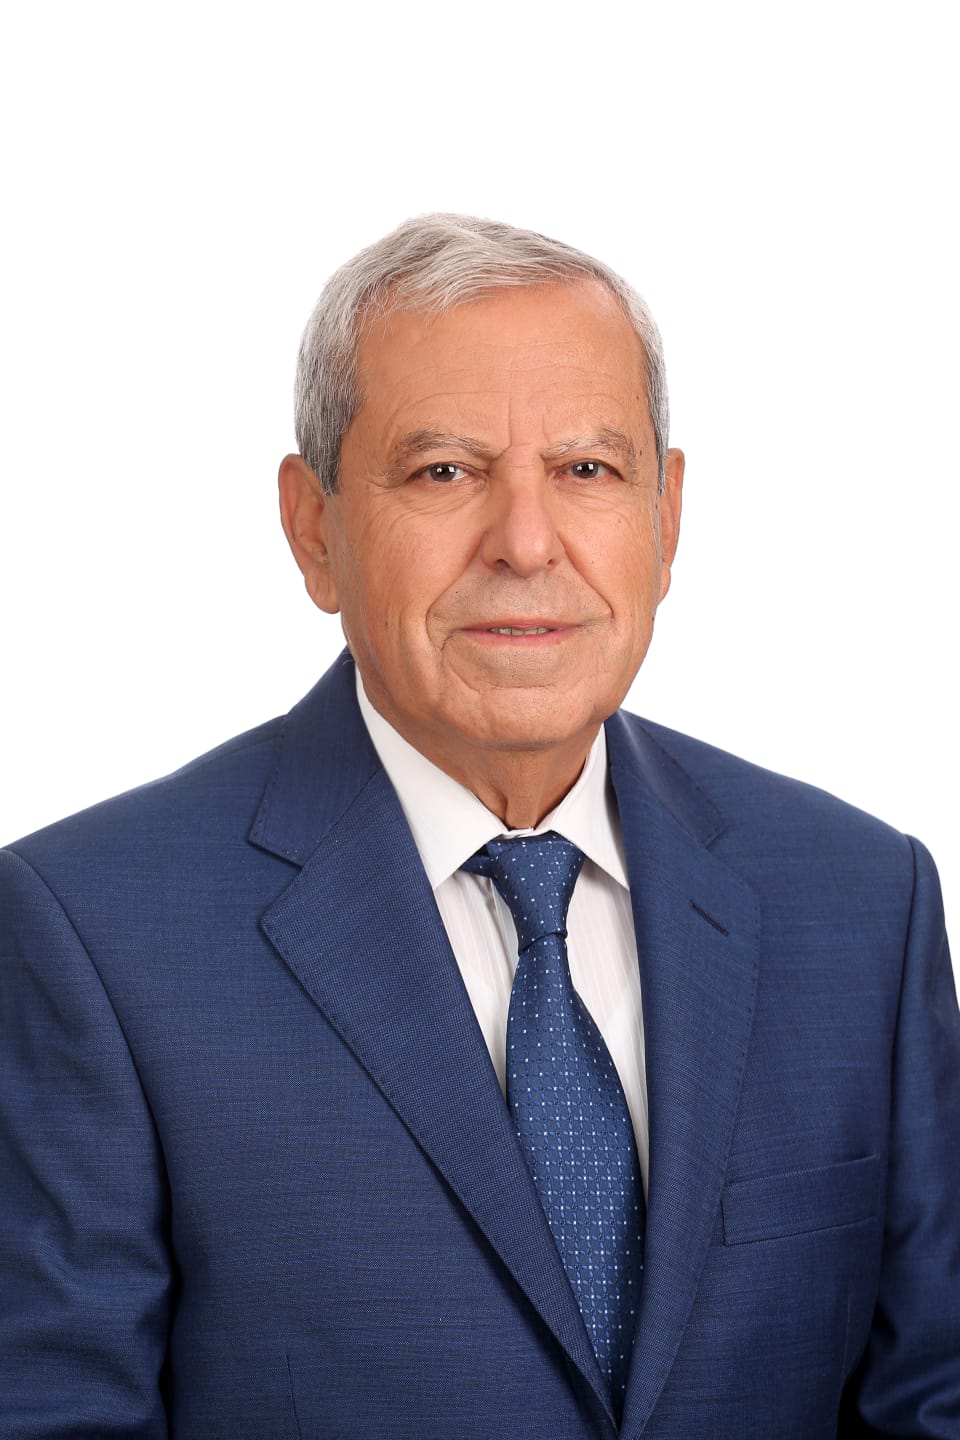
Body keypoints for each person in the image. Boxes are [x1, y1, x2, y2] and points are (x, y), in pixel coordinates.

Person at [1, 214, 958, 1440]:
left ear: (667, 518)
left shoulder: (865, 903)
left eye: (588, 470)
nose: (525, 542)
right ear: (313, 529)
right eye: (444, 472)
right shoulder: (93, 935)